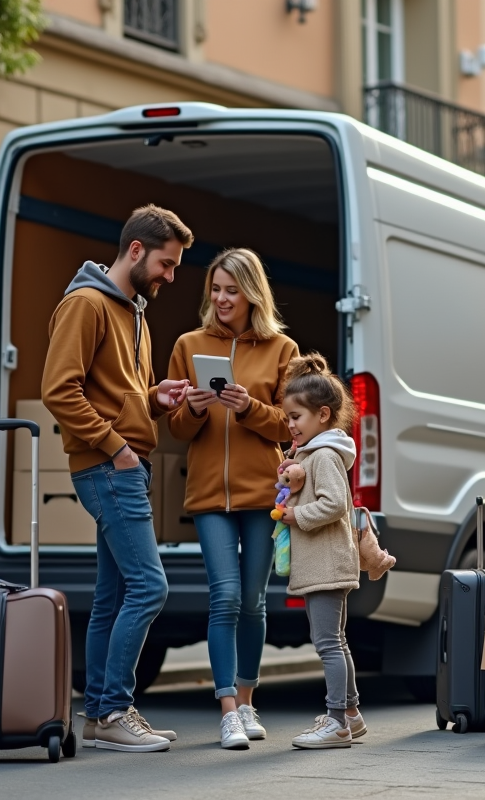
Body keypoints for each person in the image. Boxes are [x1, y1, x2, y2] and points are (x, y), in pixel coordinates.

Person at [41, 204, 193, 754]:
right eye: (166, 264)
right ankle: (111, 710)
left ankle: (101, 716)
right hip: (108, 466)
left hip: (124, 462)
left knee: (113, 595)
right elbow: (60, 391)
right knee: (150, 586)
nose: (170, 276)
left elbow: (114, 396)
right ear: (135, 251)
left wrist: (155, 398)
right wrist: (116, 448)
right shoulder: (85, 304)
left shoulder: (135, 312)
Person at [166, 248, 299, 750]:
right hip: (207, 496)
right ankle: (226, 710)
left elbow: (291, 426)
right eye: (216, 290)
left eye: (231, 290)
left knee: (253, 600)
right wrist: (196, 409)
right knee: (224, 595)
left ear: (251, 294)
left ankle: (247, 701)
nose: (222, 299)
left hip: (262, 494)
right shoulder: (188, 344)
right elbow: (177, 429)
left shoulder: (282, 350)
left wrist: (249, 408)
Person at [277, 353, 367, 750]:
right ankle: (350, 714)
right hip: (327, 563)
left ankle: (336, 722)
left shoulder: (325, 456)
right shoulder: (312, 455)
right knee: (338, 641)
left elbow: (334, 505)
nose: (290, 424)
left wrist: (296, 515)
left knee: (328, 642)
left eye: (297, 417)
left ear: (324, 415)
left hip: (328, 564)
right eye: (289, 417)